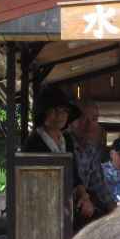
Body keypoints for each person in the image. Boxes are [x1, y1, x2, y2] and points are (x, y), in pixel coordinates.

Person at [22, 85, 94, 222]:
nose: (60, 115)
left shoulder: (67, 140)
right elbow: (30, 184)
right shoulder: (32, 143)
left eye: (64, 111)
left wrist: (84, 197)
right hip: (41, 210)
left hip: (67, 205)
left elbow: (75, 176)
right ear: (43, 114)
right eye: (54, 110)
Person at [66, 98, 116, 231]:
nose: (89, 124)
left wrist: (117, 213)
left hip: (81, 208)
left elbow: (100, 186)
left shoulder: (90, 150)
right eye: (84, 119)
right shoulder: (62, 143)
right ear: (71, 121)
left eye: (94, 119)